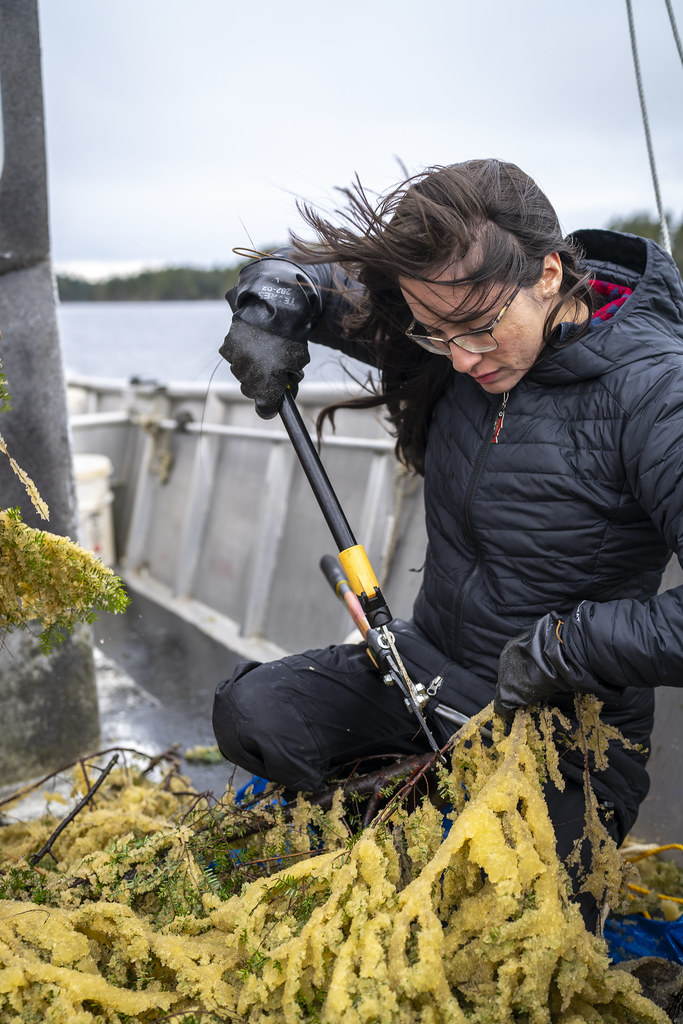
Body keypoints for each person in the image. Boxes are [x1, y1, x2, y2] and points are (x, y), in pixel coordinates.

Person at [213, 158, 683, 931]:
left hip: (568, 727)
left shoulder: (656, 390)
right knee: (253, 713)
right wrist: (268, 300)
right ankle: (407, 805)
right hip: (425, 669)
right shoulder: (452, 330)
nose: (462, 359)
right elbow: (300, 269)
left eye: (478, 328)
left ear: (549, 273)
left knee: (507, 933)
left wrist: (569, 645)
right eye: (433, 334)